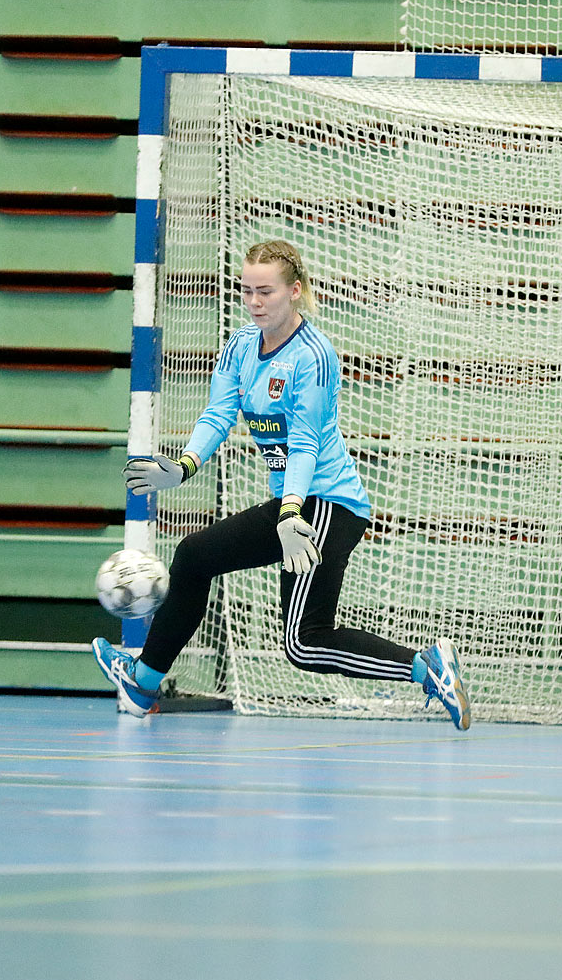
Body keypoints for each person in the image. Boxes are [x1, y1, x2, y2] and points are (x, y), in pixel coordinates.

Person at [92, 238, 473, 729]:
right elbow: (219, 411)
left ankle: (426, 668)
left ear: (295, 291)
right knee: (194, 556)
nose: (254, 302)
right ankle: (144, 681)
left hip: (330, 504)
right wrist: (185, 465)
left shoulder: (313, 356)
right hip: (295, 503)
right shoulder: (240, 346)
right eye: (246, 290)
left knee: (304, 642)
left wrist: (291, 511)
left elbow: (306, 444)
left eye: (265, 291)